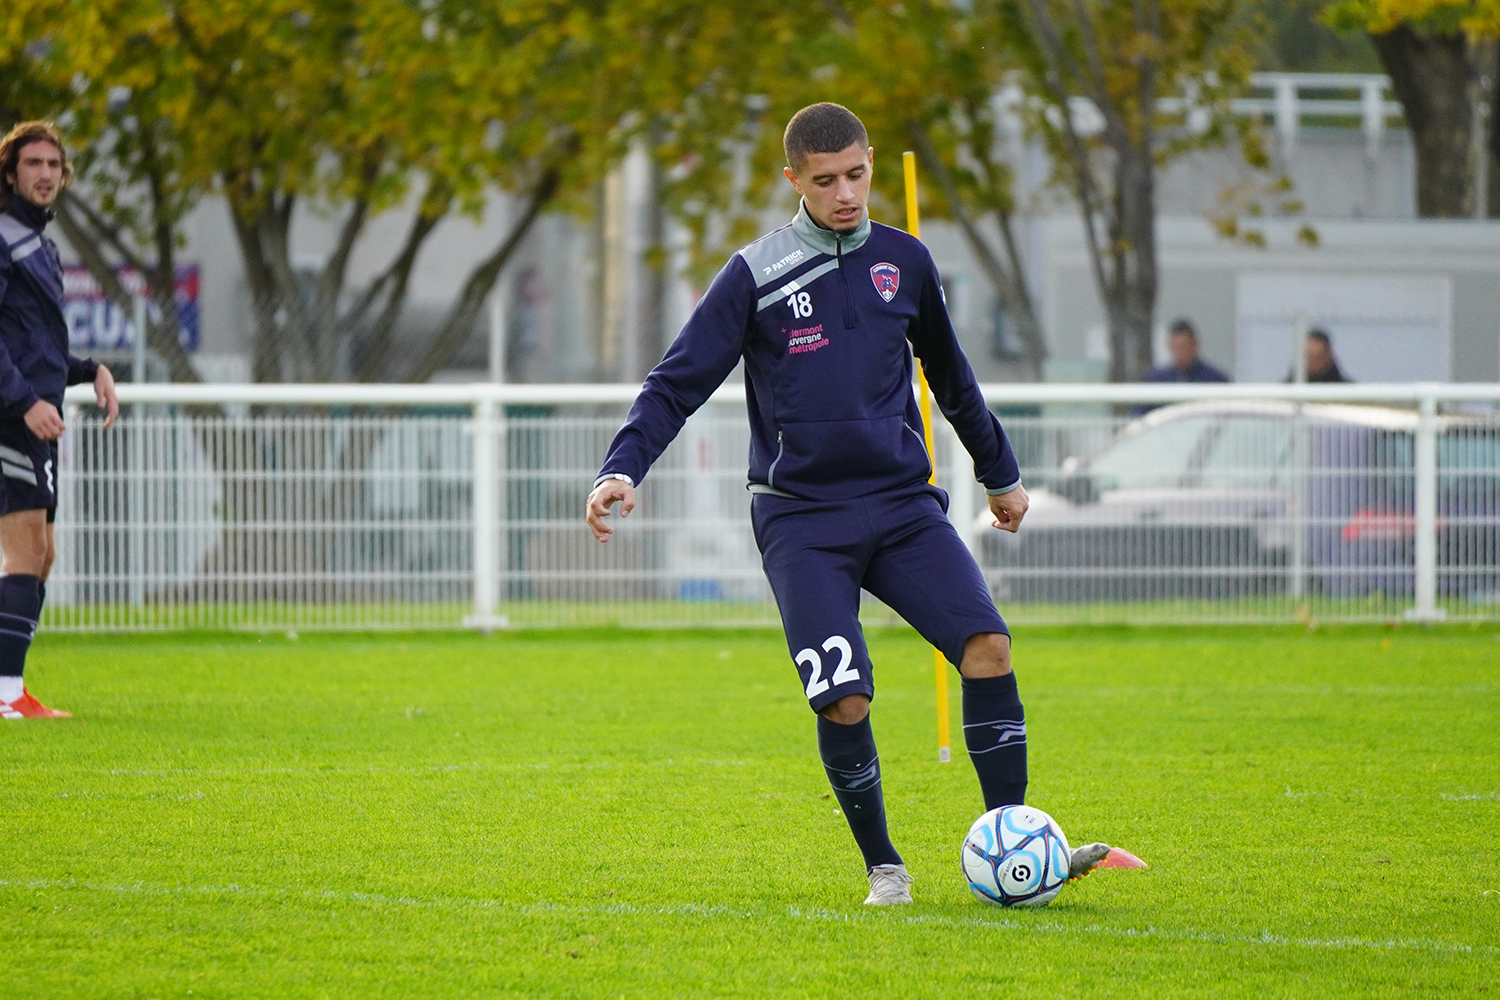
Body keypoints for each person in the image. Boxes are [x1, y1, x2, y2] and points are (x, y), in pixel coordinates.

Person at [585, 104, 1112, 905]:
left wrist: (999, 477)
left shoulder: (907, 260)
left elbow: (953, 378)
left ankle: (1016, 846)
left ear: (870, 164)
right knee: (845, 696)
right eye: (825, 180)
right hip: (801, 519)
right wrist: (622, 469)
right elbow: (676, 382)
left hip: (903, 506)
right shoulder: (755, 274)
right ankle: (885, 870)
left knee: (988, 650)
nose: (845, 194)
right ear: (792, 179)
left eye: (857, 175)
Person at [0, 121, 119, 719]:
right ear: (11, 173)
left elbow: (35, 346)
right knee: (26, 547)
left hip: (34, 413)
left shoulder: (40, 244)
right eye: (33, 163)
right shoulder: (3, 237)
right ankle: (6, 694)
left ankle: (9, 687)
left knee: (41, 554)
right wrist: (23, 401)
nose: (45, 173)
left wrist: (89, 369)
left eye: (54, 164)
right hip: (11, 416)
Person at [1133, 319, 1229, 415]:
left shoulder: (1214, 378)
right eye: (1177, 348)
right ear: (1169, 345)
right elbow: (1139, 413)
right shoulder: (1156, 379)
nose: (1181, 353)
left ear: (1195, 344)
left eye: (1185, 347)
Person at [1287, 328, 1351, 383]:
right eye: (1306, 357)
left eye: (1315, 357)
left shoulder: (1348, 391)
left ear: (1327, 356)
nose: (1310, 362)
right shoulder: (1284, 390)